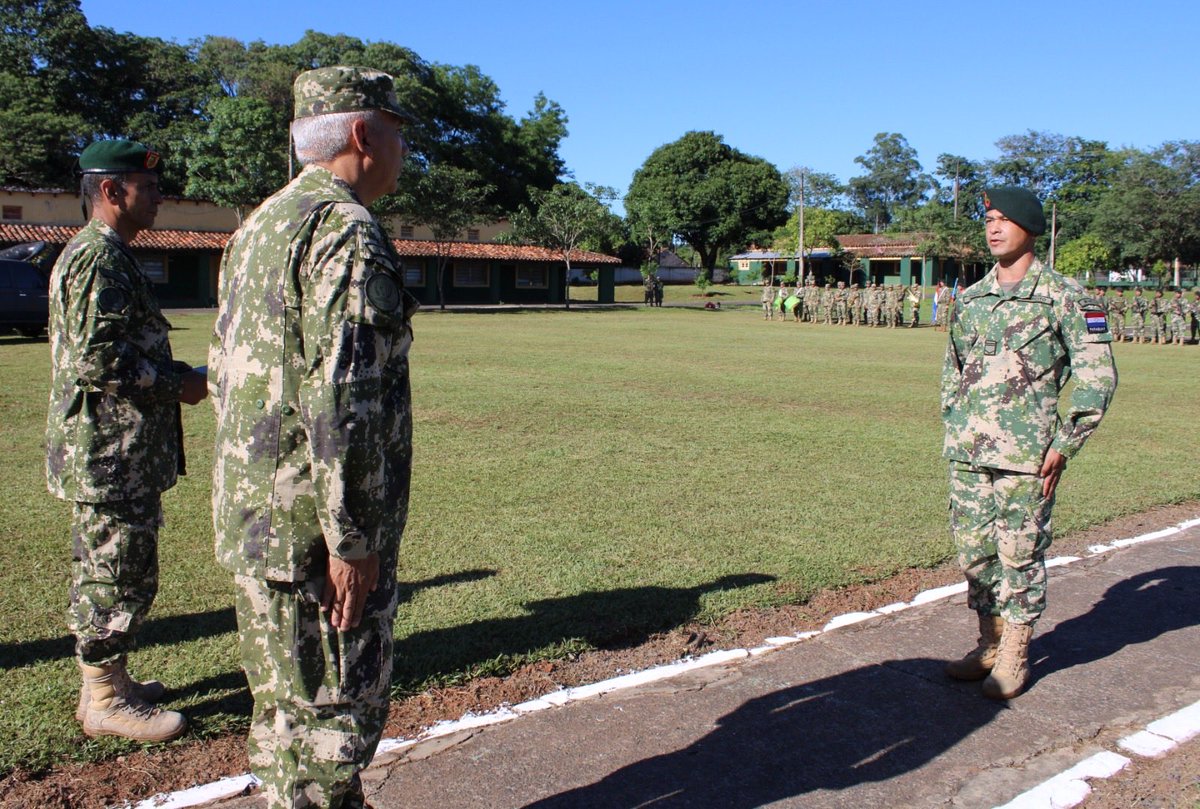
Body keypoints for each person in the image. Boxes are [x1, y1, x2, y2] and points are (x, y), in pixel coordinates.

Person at [209, 66, 419, 808]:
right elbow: (346, 399)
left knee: (284, 718)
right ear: (363, 134)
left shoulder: (258, 226)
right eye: (397, 132)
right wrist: (352, 539)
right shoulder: (346, 232)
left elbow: (223, 372)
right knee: (332, 725)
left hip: (258, 522)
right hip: (314, 536)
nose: (403, 149)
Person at [46, 139, 208, 741]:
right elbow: (98, 362)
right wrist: (179, 384)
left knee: (122, 568)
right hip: (109, 454)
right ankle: (106, 700)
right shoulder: (98, 259)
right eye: (149, 186)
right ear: (111, 191)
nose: (160, 196)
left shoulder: (107, 254)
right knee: (113, 573)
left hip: (119, 452)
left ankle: (109, 683)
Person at [941, 187, 1116, 700]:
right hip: (969, 453)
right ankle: (989, 641)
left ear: (1031, 228)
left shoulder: (1067, 298)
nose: (994, 228)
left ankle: (1017, 649)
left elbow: (1096, 377)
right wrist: (954, 427)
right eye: (989, 219)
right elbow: (954, 373)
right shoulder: (971, 300)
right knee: (975, 555)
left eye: (1005, 219)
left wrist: (1065, 442)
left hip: (1027, 458)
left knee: (1019, 554)